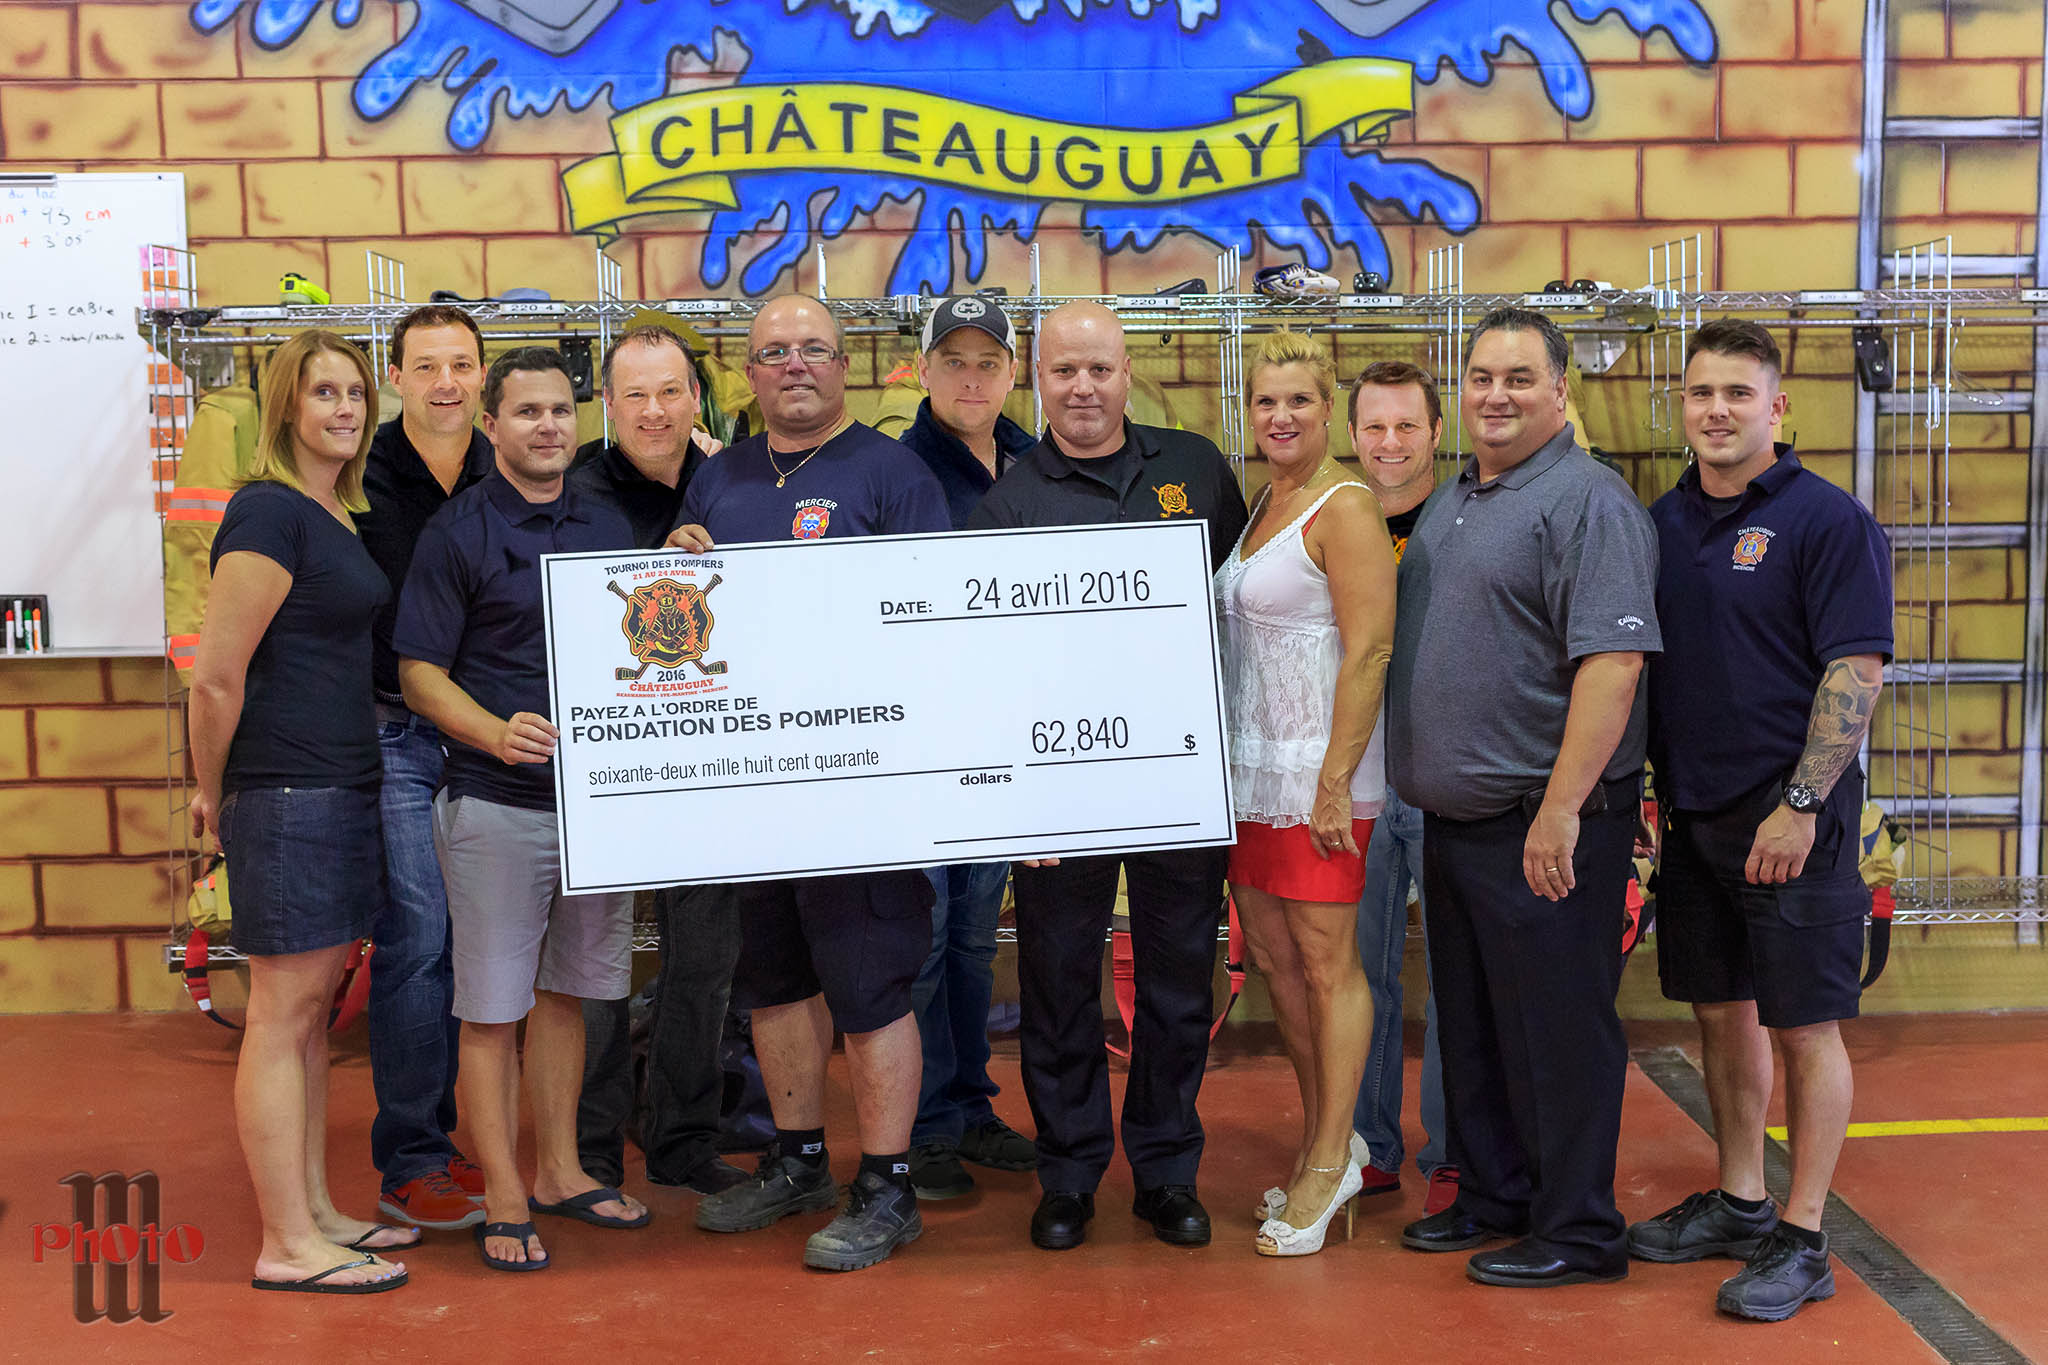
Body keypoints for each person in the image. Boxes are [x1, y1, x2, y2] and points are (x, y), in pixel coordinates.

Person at [666, 294, 952, 1272]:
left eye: (814, 349)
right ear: (749, 372)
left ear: (844, 364)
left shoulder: (892, 474)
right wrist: (670, 563)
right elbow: (684, 626)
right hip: (754, 783)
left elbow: (934, 629)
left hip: (862, 786)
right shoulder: (720, 478)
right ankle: (796, 1161)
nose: (795, 365)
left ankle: (889, 1185)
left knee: (869, 983)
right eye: (775, 352)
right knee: (775, 979)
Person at [966, 301, 1248, 1252]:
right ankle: (1071, 1171)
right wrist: (1016, 803)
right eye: (1063, 372)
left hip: (1179, 777)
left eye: (1098, 369)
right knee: (1057, 980)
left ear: (1128, 373)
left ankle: (1167, 1169)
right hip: (1061, 791)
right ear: (1036, 382)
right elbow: (987, 668)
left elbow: (1240, 606)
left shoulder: (1196, 469)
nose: (1082, 388)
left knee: (1177, 979)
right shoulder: (1008, 504)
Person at [1389, 307, 1661, 1288]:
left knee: (1557, 1033)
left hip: (1543, 825)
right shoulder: (1456, 496)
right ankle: (1496, 1194)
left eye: (1518, 378)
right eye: (1481, 377)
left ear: (1559, 391)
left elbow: (1612, 665)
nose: (1495, 395)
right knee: (1475, 1029)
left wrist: (1559, 810)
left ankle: (1579, 1228)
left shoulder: (1588, 502)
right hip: (1458, 825)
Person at [1630, 319, 1890, 1321]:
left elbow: (1854, 670)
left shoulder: (1827, 520)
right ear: (1681, 406)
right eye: (1701, 393)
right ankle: (1740, 1200)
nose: (1717, 410)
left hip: (1790, 819)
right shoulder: (1663, 521)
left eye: (1738, 393)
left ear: (1776, 407)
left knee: (1803, 1026)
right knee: (1719, 1009)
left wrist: (1799, 805)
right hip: (1693, 814)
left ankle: (1804, 1235)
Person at [396, 347, 649, 1272]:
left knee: (564, 998)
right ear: (491, 425)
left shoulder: (606, 520)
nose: (548, 426)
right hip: (496, 805)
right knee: (492, 1010)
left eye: (560, 411)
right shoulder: (456, 532)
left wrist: (680, 565)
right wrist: (493, 732)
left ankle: (559, 1170)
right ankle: (504, 1192)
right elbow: (418, 672)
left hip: (595, 810)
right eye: (528, 412)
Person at [189, 329, 411, 1294]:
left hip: (336, 783)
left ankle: (315, 1211)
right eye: (324, 392)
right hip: (285, 789)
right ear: (286, 406)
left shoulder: (330, 513)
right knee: (282, 1015)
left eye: (355, 392)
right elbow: (216, 677)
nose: (346, 408)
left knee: (312, 1013)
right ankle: (285, 1244)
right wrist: (213, 793)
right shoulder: (268, 511)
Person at [1215, 331, 1396, 1257]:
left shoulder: (1346, 506)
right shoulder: (1262, 503)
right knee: (1280, 965)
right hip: (1251, 774)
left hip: (1320, 779)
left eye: (1298, 400)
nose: (1280, 416)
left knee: (1328, 966)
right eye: (1265, 400)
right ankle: (1328, 1140)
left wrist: (1332, 783)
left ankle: (1331, 1158)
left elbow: (1370, 650)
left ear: (1330, 412)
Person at [567, 325, 750, 1198]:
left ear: (695, 399)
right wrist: (649, 570)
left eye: (670, 391)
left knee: (706, 957)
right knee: (596, 962)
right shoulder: (573, 491)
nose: (654, 411)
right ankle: (592, 1146)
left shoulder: (732, 482)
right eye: (635, 394)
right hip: (606, 764)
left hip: (711, 764)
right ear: (607, 404)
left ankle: (681, 1136)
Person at [894, 296, 1040, 1201]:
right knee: (925, 935)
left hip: (1004, 739)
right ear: (923, 370)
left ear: (1012, 373)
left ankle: (969, 1100)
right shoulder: (894, 469)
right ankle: (922, 1125)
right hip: (918, 745)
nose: (972, 378)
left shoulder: (1037, 461)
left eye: (989, 361)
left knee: (976, 940)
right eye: (954, 361)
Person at [356, 303, 495, 1231]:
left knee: (479, 942)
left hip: (490, 736)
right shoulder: (356, 474)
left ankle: (452, 1135)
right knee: (416, 938)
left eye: (461, 365)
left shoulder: (510, 463)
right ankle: (411, 1154)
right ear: (395, 376)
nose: (446, 382)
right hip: (394, 734)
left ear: (481, 375)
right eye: (426, 366)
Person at [1347, 362, 1459, 1216]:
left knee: (1456, 977)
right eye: (1375, 426)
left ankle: (1455, 1152)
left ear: (1436, 432)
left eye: (1407, 425)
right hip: (1354, 783)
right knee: (1358, 974)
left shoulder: (1466, 521)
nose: (1390, 442)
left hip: (1446, 779)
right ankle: (1368, 1147)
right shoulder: (1333, 518)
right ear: (1353, 435)